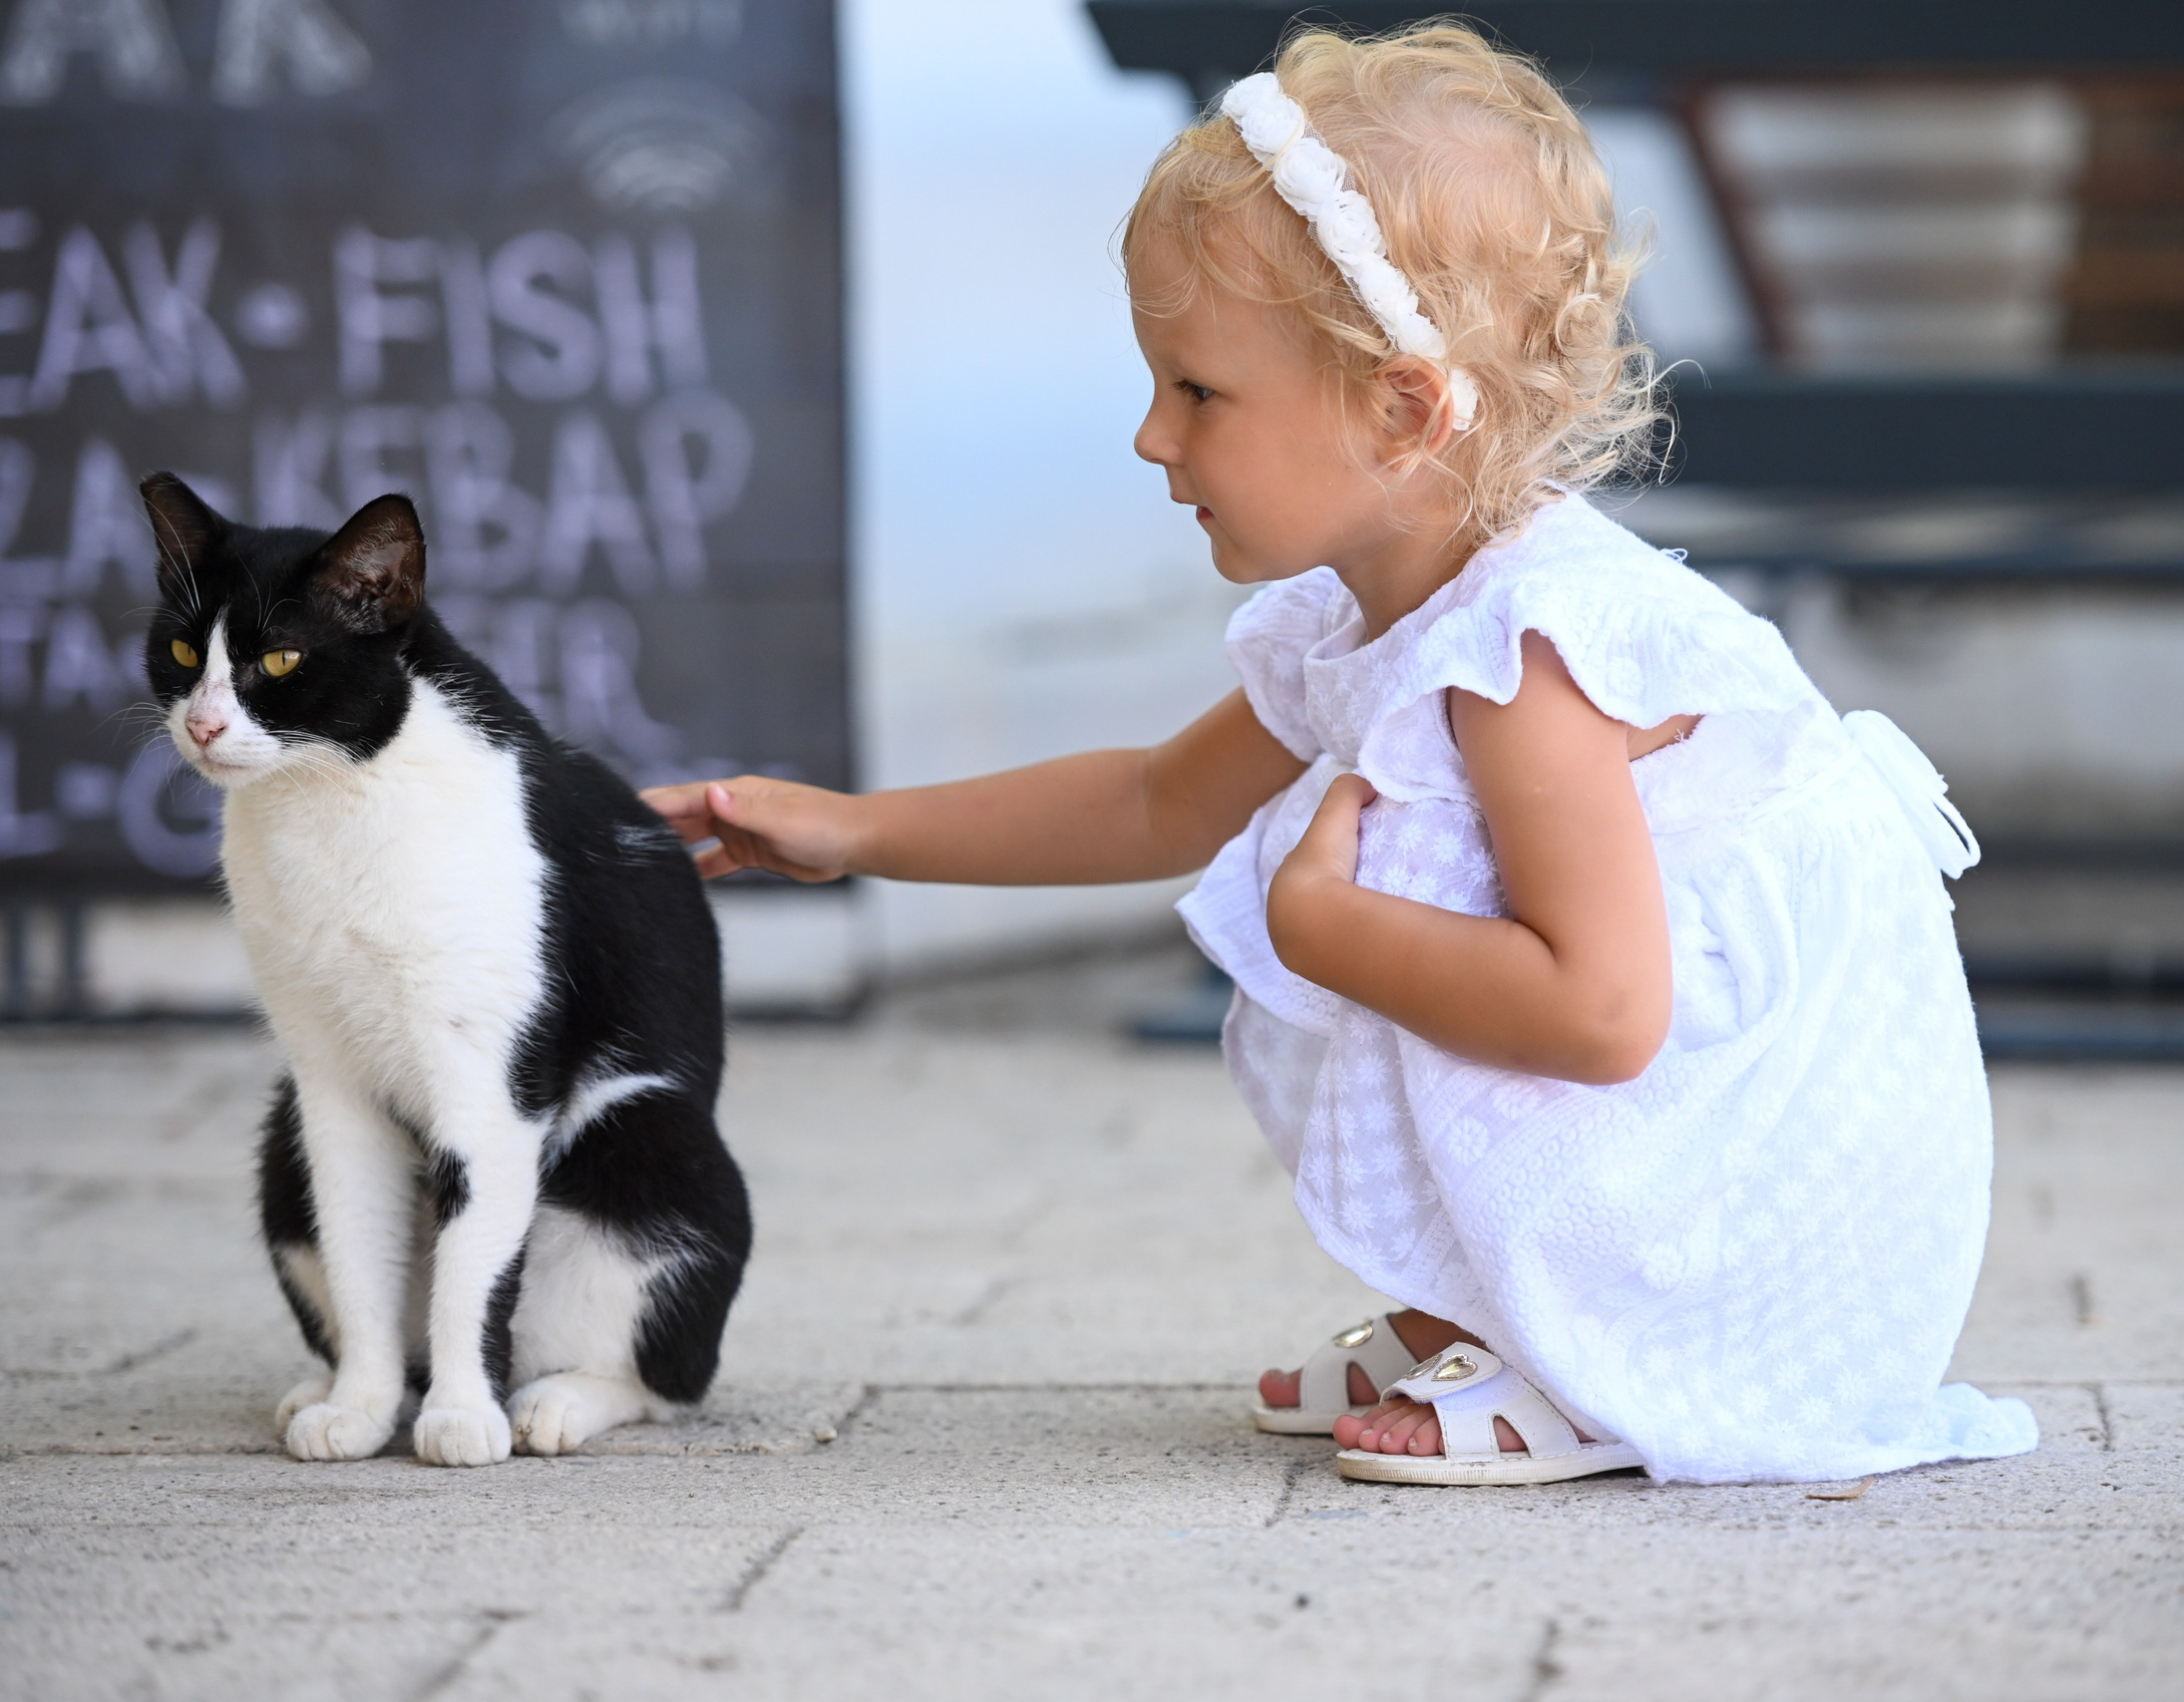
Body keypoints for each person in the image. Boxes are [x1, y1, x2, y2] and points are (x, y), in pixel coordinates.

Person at [644, 23, 2037, 1487]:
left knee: (1392, 866)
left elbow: (1608, 1012)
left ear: (1402, 408)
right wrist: (853, 831)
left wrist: (1332, 926)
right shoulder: (1375, 608)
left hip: (1748, 1204)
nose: (1147, 436)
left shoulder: (1527, 656)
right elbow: (1152, 799)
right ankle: (1478, 1304)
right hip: (1676, 1114)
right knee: (1385, 850)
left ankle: (1592, 1359)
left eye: (1198, 393)